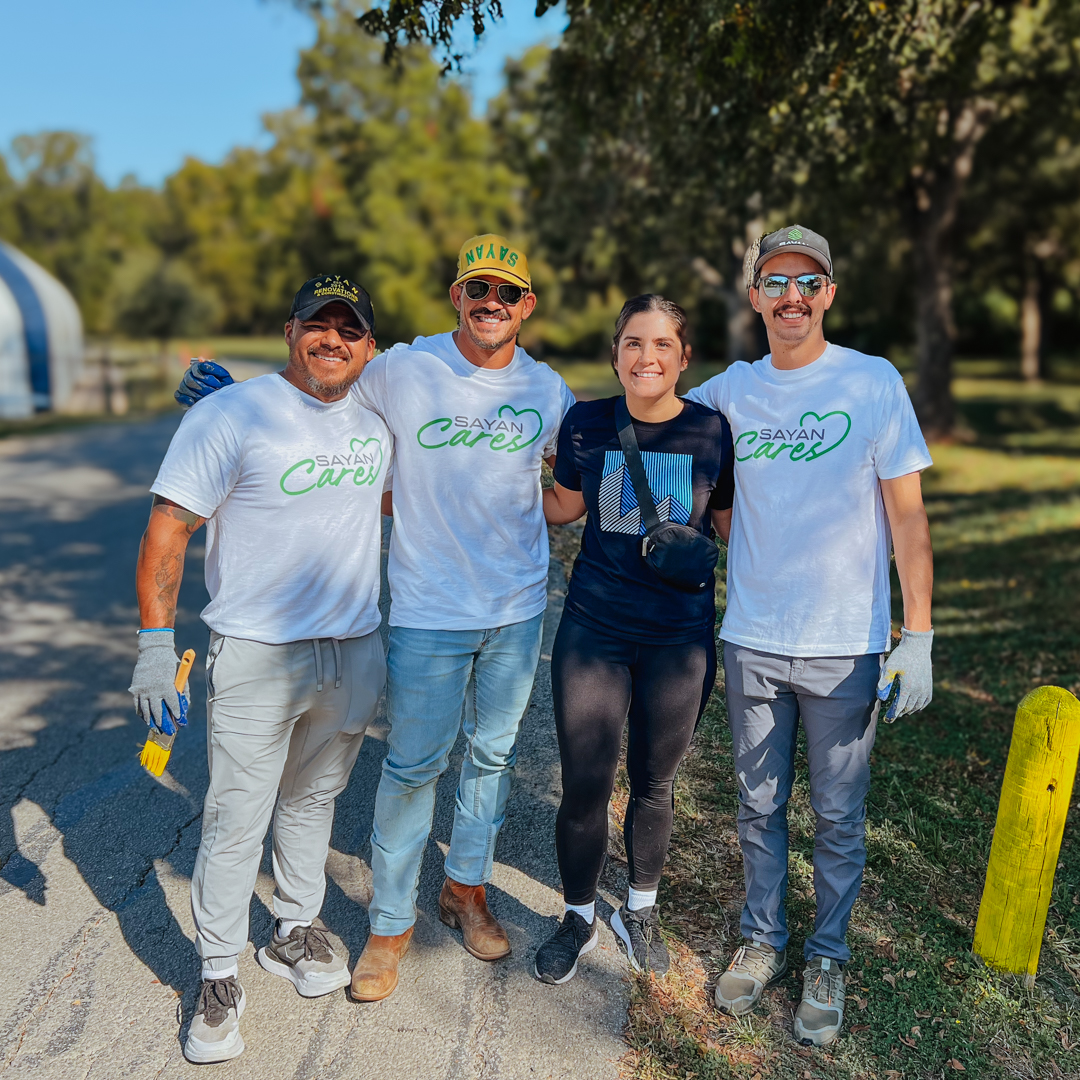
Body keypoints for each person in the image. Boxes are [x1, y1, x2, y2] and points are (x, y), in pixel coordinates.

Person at [176, 235, 576, 1002]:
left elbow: (574, 471)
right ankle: (390, 926)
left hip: (518, 609)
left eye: (506, 292)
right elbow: (317, 384)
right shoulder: (404, 368)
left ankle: (465, 892)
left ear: (526, 305)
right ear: (456, 297)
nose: (490, 302)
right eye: (477, 289)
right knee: (414, 767)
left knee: (491, 760)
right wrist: (233, 401)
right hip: (428, 609)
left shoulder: (547, 389)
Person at [684, 225, 934, 1047]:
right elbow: (663, 424)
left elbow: (908, 517)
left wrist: (919, 635)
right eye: (776, 282)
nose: (791, 296)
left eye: (807, 282)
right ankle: (762, 940)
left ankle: (827, 957)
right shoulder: (730, 391)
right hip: (753, 636)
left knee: (838, 814)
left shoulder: (871, 381)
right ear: (755, 296)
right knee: (758, 806)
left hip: (845, 644)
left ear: (828, 293)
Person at [130, 277, 390, 1063]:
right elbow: (170, 527)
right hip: (256, 652)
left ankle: (294, 928)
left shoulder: (378, 422)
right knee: (235, 817)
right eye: (319, 324)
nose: (333, 339)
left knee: (313, 800)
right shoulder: (227, 415)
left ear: (369, 347)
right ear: (290, 331)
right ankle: (216, 972)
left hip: (352, 649)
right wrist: (154, 645)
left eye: (350, 329)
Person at [535, 295, 734, 984]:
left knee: (655, 782)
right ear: (616, 354)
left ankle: (638, 911)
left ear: (684, 358)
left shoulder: (711, 430)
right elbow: (565, 506)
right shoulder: (586, 423)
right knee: (586, 781)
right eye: (633, 343)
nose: (647, 357)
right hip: (595, 630)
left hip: (679, 640)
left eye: (661, 345)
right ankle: (578, 915)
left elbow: (731, 525)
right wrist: (479, 481)